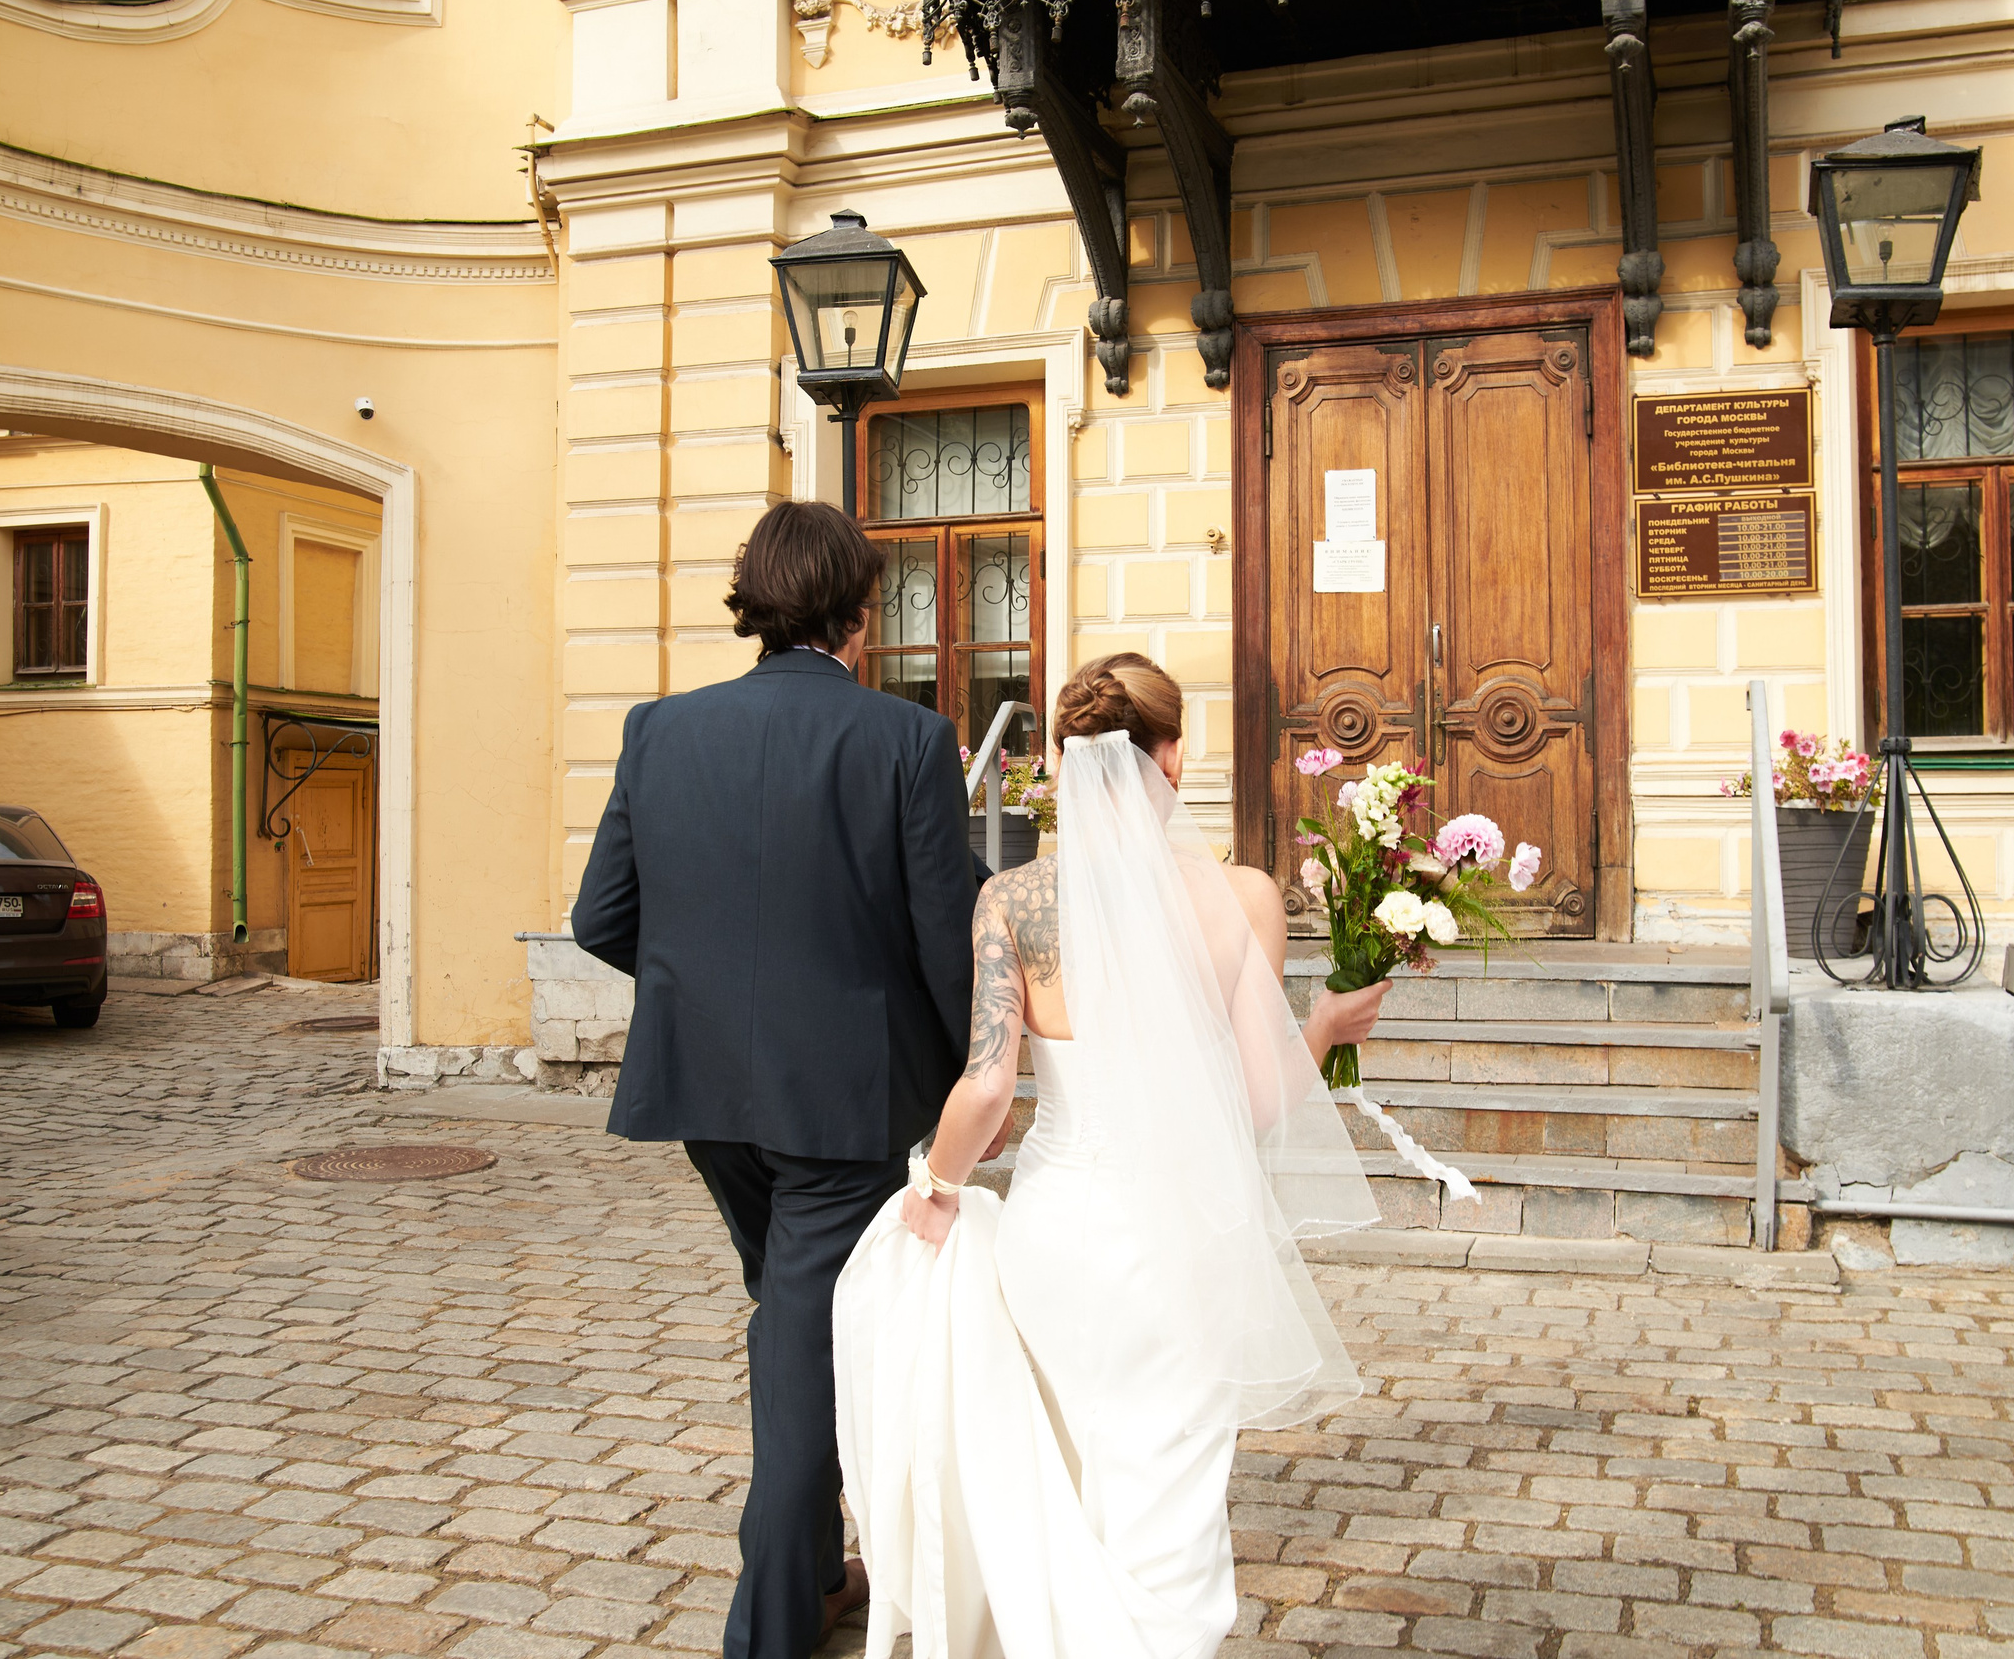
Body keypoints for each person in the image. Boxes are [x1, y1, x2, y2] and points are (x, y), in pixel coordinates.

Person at [833, 653, 1406, 1659]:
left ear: (1061, 762)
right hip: (1178, 1237)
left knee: (1072, 1464)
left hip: (1056, 1235)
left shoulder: (1010, 899)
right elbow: (1259, 1102)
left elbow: (988, 1088)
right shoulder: (1243, 896)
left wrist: (936, 1186)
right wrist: (1317, 1025)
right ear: (1172, 757)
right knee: (1169, 1490)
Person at [571, 499, 986, 1659]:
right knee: (803, 1337)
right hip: (843, 1104)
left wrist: (696, 989)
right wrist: (974, 1076)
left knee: (797, 1313)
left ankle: (812, 1566)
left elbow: (598, 915)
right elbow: (943, 933)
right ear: (861, 617)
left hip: (708, 1094)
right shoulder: (904, 739)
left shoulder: (660, 727)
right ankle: (767, 1626)